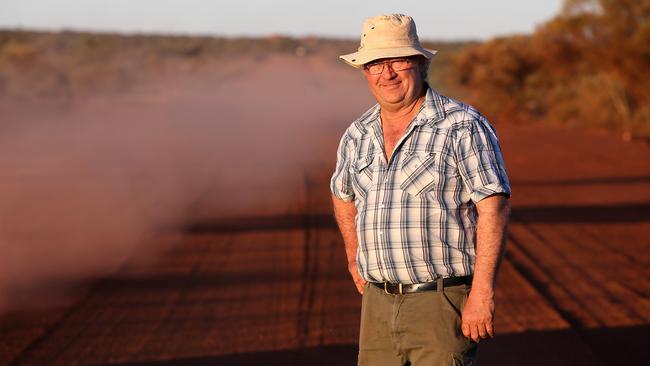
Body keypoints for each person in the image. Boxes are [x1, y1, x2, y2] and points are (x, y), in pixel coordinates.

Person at [330, 14, 511, 365]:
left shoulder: (462, 125)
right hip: (378, 305)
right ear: (365, 71)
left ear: (420, 63)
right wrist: (354, 258)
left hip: (440, 302)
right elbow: (342, 194)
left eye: (398, 60)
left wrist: (482, 293)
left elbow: (494, 207)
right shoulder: (357, 133)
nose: (387, 74)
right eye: (375, 64)